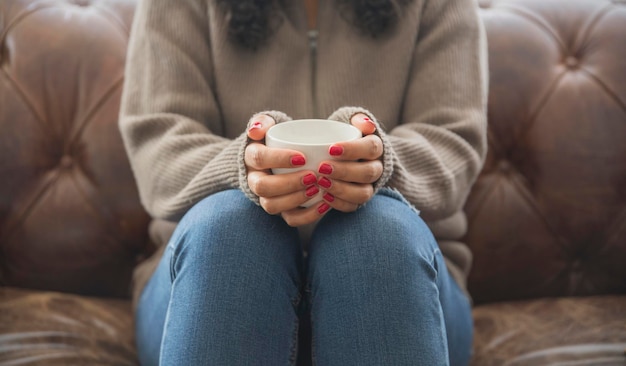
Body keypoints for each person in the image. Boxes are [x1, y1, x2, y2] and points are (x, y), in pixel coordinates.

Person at [119, 0, 487, 364]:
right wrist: (247, 164)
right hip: (204, 283)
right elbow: (158, 154)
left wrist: (376, 159)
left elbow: (453, 143)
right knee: (230, 228)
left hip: (407, 287)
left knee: (376, 233)